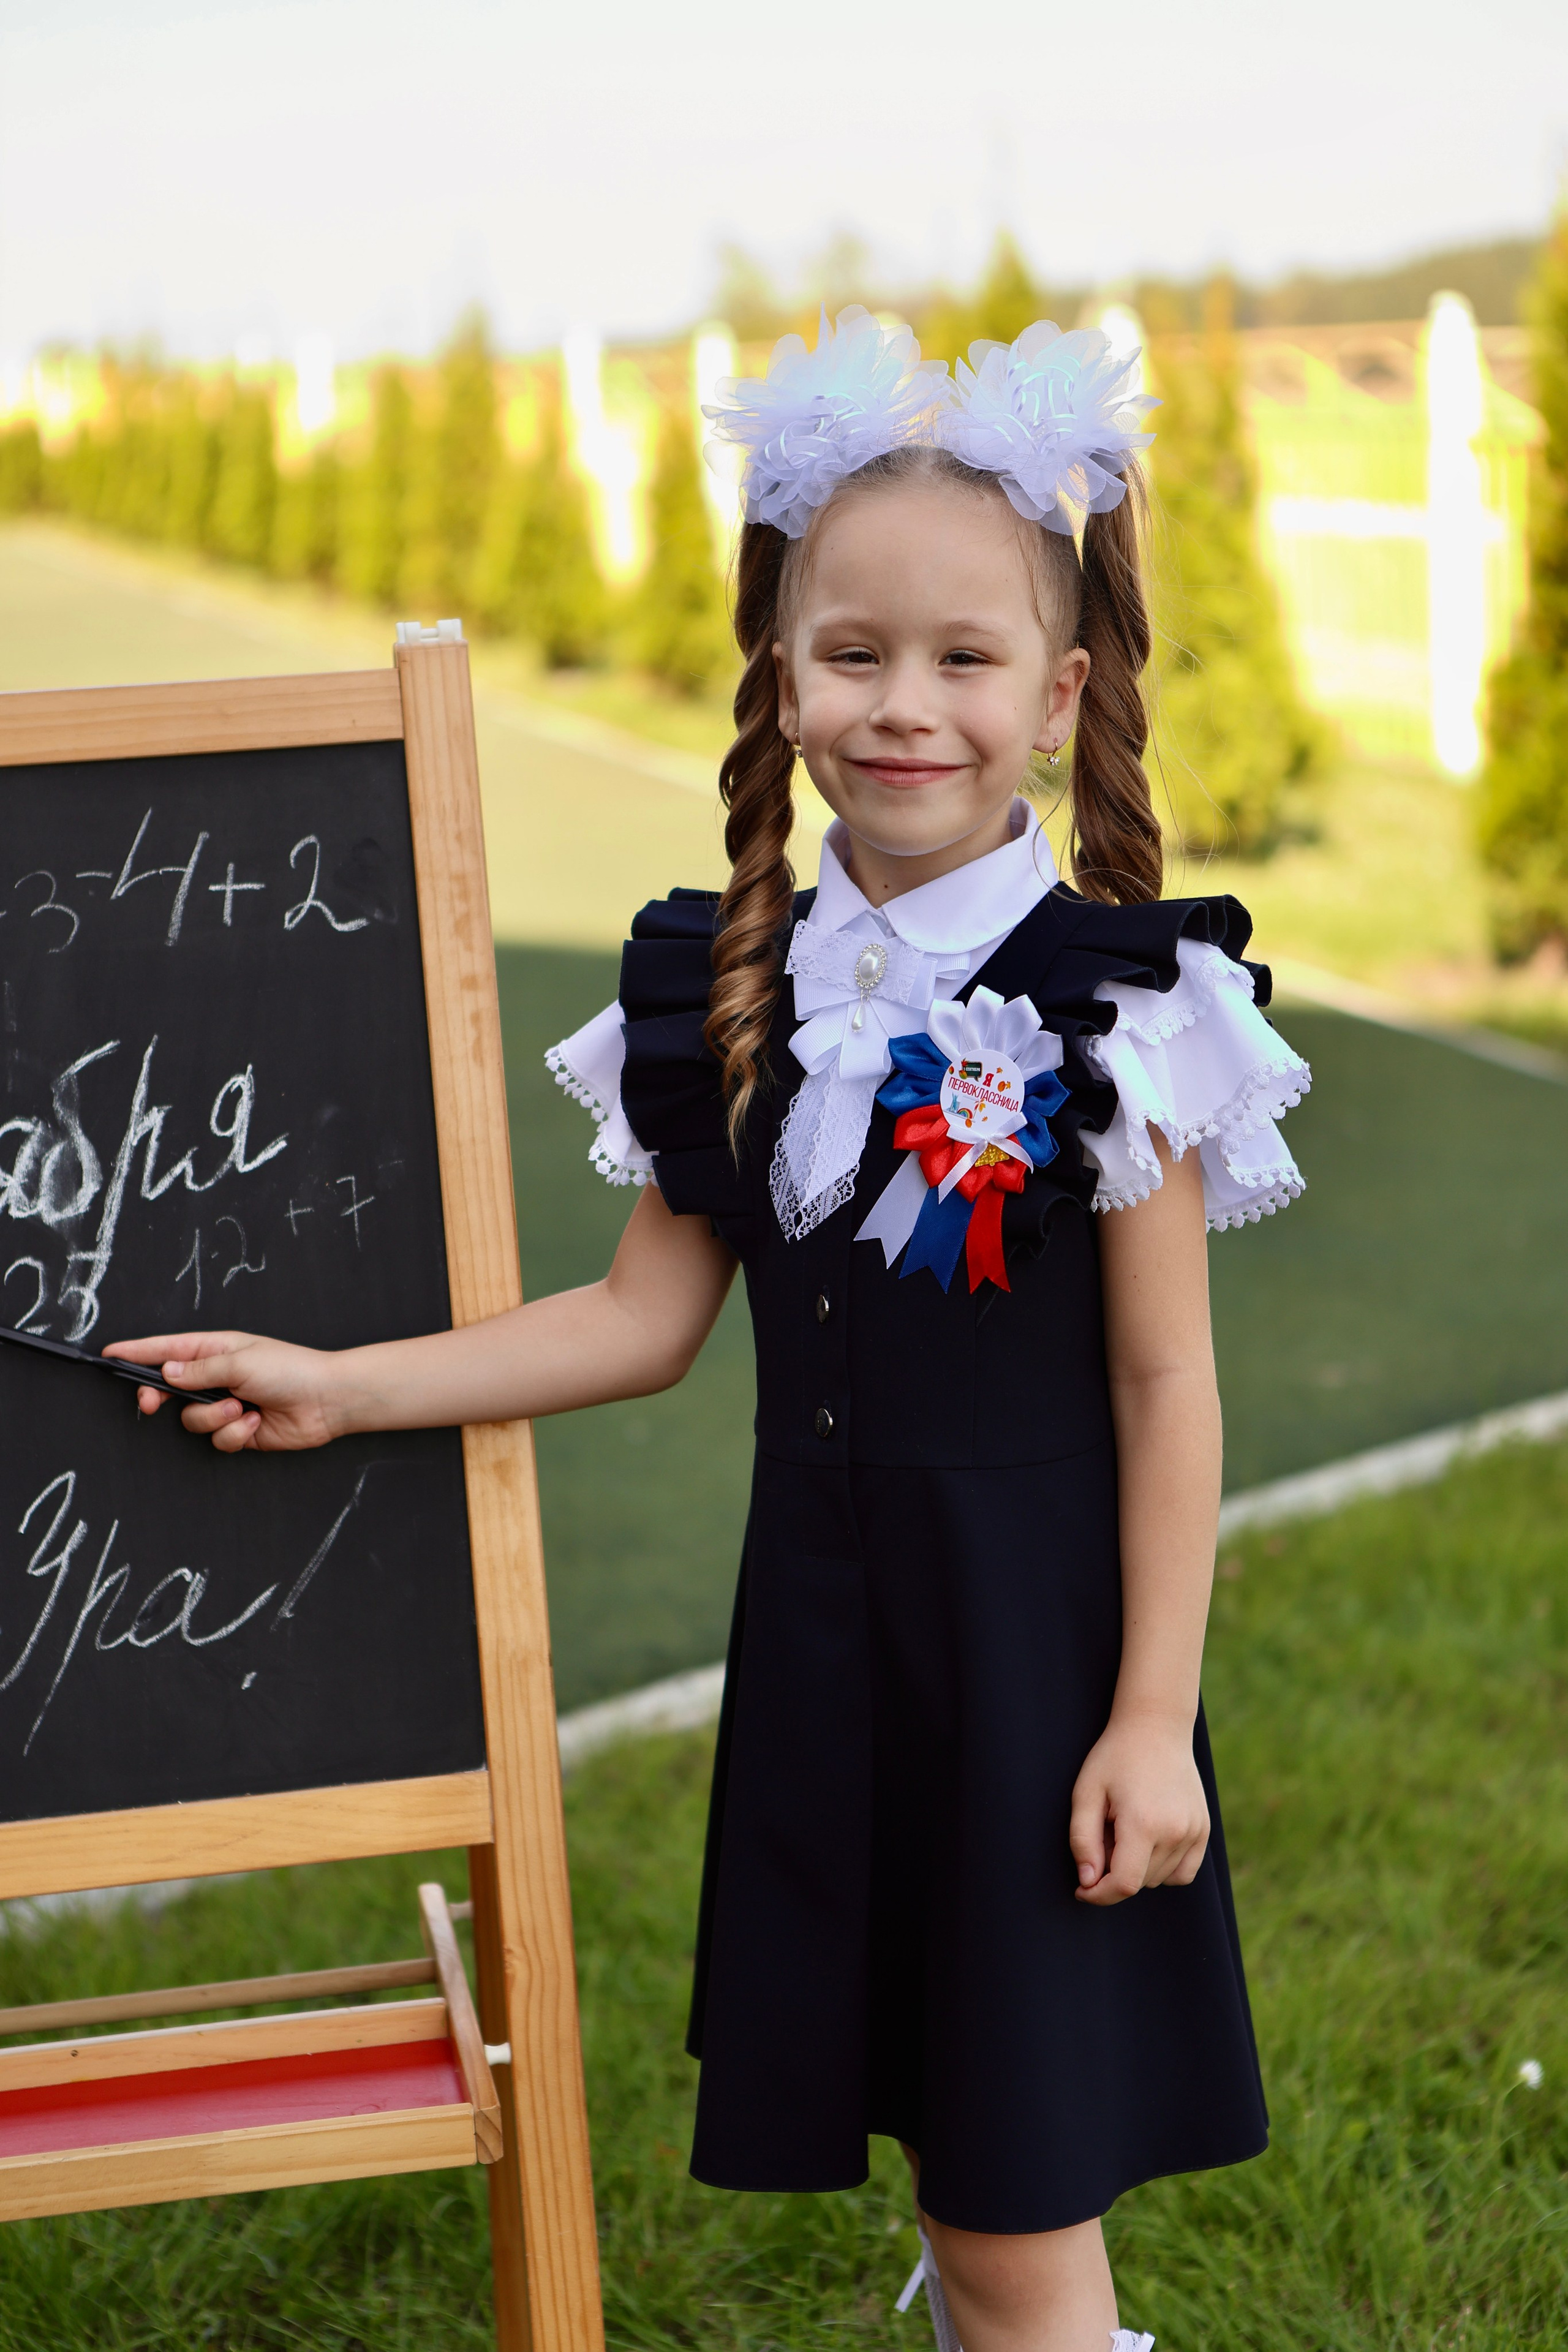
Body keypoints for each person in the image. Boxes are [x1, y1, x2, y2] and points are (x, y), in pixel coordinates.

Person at [111, 307, 1310, 2352]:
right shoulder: (726, 986)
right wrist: (349, 1387)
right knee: (952, 2142)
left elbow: (1163, 1379)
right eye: (853, 655)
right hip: (840, 1657)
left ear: (1059, 694)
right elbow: (640, 1317)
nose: (902, 706)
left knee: (1021, 2198)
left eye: (966, 660)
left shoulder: (1116, 1003)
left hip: (1036, 1669)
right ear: (783, 673)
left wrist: (1142, 1715)